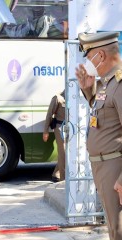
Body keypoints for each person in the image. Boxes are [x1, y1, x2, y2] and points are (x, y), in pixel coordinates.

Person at [75, 31, 122, 240]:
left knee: (119, 228)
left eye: (88, 56)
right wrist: (89, 91)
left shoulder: (120, 83)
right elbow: (104, 119)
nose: (86, 62)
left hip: (115, 166)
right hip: (103, 166)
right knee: (113, 227)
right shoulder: (106, 83)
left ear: (100, 56)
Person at [43, 90, 65, 182]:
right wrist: (46, 131)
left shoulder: (75, 96)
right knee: (63, 152)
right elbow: (49, 114)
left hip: (70, 127)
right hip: (59, 127)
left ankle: (56, 173)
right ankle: (64, 179)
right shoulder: (57, 98)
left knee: (67, 153)